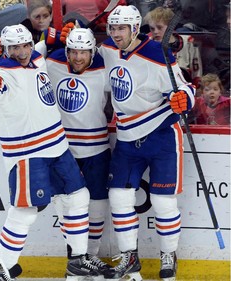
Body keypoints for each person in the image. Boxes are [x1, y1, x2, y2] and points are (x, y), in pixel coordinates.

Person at [0, 25, 102, 281]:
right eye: (15, 47)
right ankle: (5, 268)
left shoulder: (37, 58)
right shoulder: (4, 72)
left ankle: (77, 260)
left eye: (25, 46)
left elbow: (43, 43)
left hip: (57, 146)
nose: (21, 52)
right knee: (25, 212)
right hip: (27, 153)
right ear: (7, 50)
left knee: (77, 196)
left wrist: (53, 35)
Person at [97, 5, 196, 280]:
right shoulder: (107, 50)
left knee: (163, 202)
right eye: (113, 28)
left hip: (162, 135)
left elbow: (186, 90)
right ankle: (129, 258)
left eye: (121, 28)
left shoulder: (156, 55)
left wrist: (183, 100)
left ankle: (168, 255)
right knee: (119, 197)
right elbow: (78, 58)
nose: (116, 34)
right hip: (128, 138)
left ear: (134, 28)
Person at [45, 28, 112, 274]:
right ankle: (75, 258)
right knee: (65, 207)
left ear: (92, 51)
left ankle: (90, 257)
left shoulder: (105, 68)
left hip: (97, 149)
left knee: (96, 206)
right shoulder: (52, 62)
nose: (78, 58)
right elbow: (24, 64)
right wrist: (44, 40)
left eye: (83, 52)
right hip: (63, 150)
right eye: (73, 51)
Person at [144, 6, 203, 87]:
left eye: (159, 27)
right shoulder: (146, 43)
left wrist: (197, 89)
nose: (155, 32)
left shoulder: (188, 42)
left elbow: (196, 73)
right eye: (152, 28)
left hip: (184, 90)